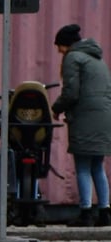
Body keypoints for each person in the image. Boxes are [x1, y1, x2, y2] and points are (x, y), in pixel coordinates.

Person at [51, 23, 111, 227]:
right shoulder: (98, 60)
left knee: (83, 166)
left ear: (66, 45)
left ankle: (85, 213)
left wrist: (56, 108)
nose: (58, 50)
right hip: (103, 117)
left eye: (59, 46)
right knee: (98, 166)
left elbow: (71, 92)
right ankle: (105, 212)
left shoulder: (73, 58)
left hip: (85, 117)